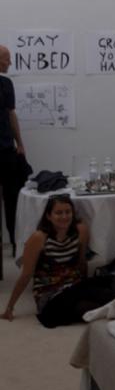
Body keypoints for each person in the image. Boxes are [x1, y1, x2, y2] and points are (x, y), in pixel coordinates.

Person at [1, 195, 115, 327]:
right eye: (58, 213)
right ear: (48, 216)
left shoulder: (81, 230)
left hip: (74, 286)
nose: (64, 216)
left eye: (68, 212)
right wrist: (10, 307)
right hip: (50, 293)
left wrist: (87, 287)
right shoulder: (38, 238)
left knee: (110, 295)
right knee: (85, 308)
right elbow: (26, 275)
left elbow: (82, 262)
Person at [0, 44, 27, 253]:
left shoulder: (6, 84)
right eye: (6, 58)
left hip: (6, 149)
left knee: (12, 199)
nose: (10, 62)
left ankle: (15, 243)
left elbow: (11, 114)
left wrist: (20, 143)